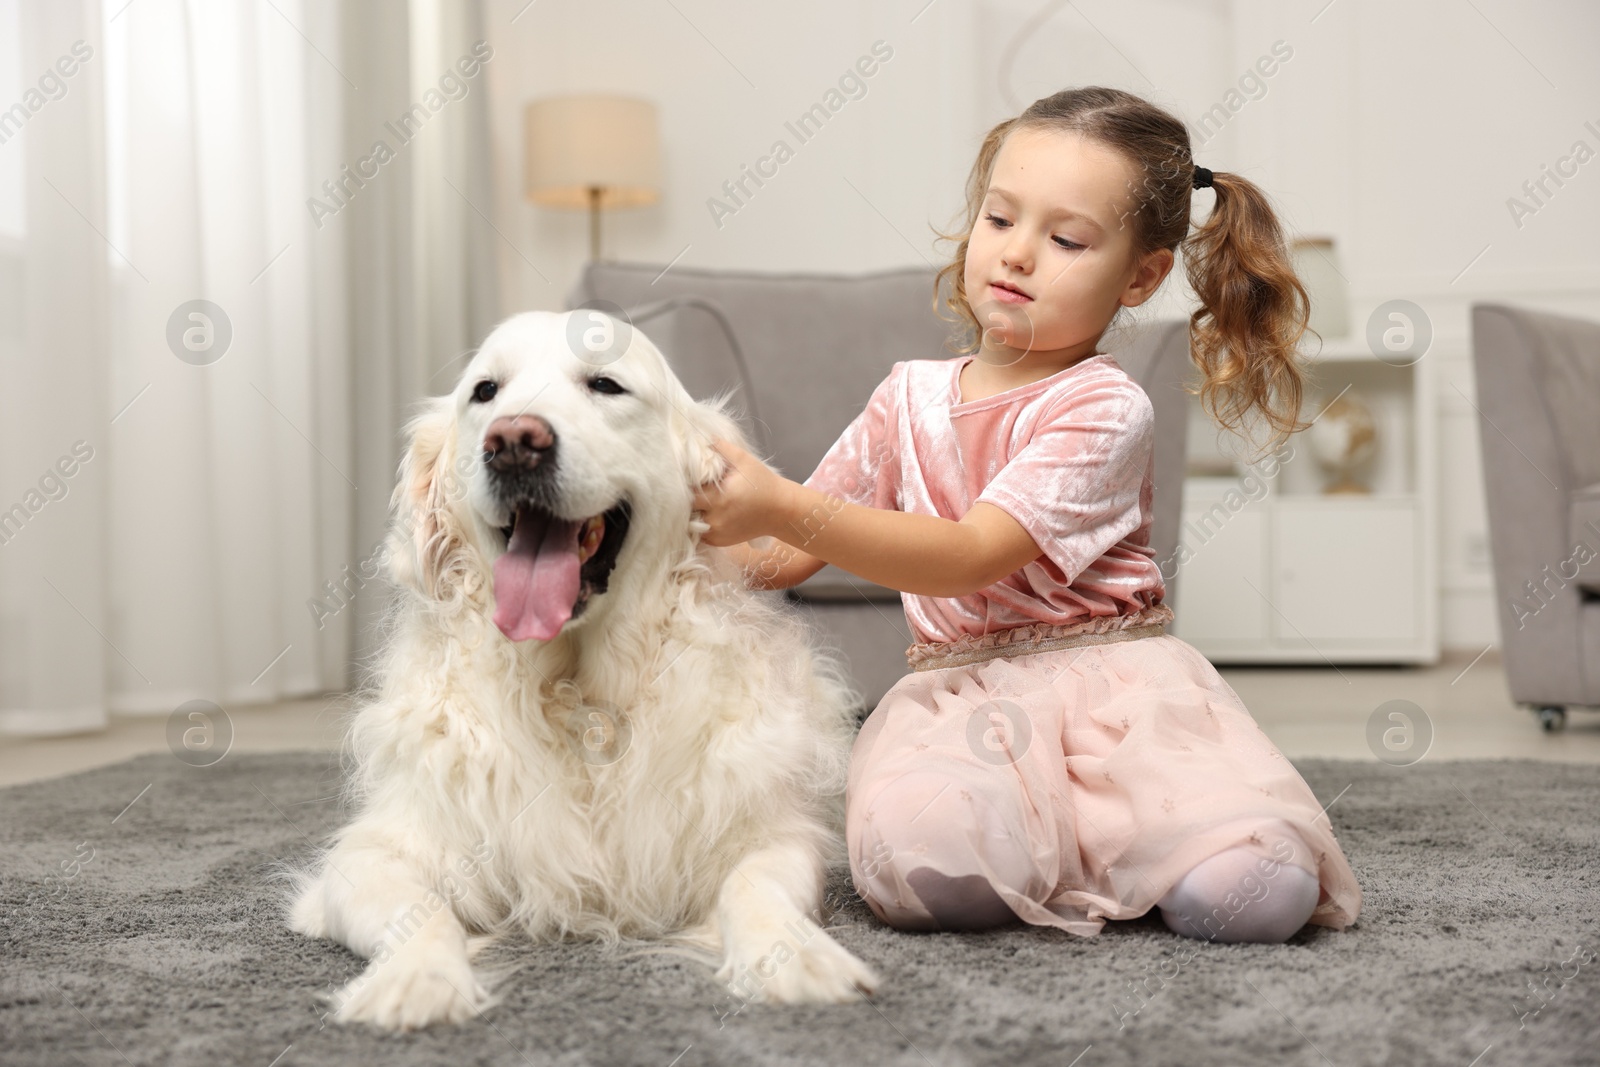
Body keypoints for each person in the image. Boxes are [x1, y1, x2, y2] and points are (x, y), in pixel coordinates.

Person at [689, 86, 1361, 943]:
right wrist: (660, 536)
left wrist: (779, 498)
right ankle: (1073, 846)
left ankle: (1133, 837)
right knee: (932, 878)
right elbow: (780, 557)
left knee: (1256, 895)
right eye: (1000, 219)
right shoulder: (908, 397)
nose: (1016, 255)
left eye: (1067, 238)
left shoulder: (1106, 407)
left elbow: (972, 553)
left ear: (1141, 276)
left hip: (1115, 698)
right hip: (958, 698)